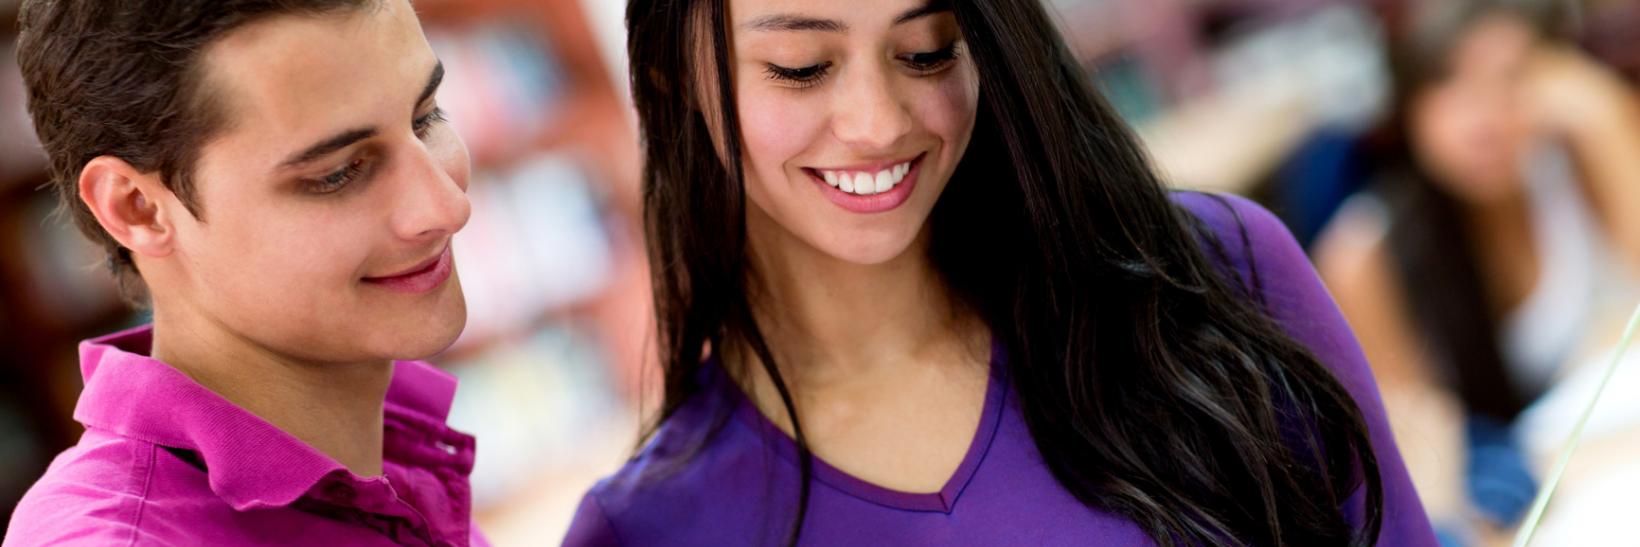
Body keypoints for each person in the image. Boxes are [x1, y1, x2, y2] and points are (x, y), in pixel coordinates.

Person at [565, 0, 1434, 545]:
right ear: (672, 74)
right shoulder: (647, 527)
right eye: (802, 67)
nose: (876, 123)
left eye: (928, 50)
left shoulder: (1218, 274)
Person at [5, 1, 485, 544]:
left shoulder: (381, 450)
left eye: (426, 117)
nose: (448, 208)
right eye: (338, 173)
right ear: (137, 207)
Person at [1314, 0, 1640, 542]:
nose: (1481, 116)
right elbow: (1425, 480)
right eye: (1449, 84)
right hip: (1528, 510)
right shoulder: (1366, 257)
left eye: (1508, 80)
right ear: (1410, 105)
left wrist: (1604, 116)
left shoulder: (1571, 163)